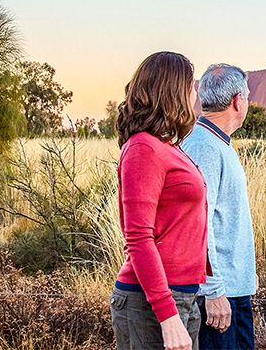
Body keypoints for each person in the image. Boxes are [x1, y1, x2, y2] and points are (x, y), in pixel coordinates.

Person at [110, 51, 208, 350]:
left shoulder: (166, 146)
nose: (195, 94)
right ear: (173, 91)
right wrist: (167, 316)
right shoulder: (144, 148)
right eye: (191, 86)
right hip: (152, 302)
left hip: (182, 295)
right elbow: (138, 237)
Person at [182, 64, 258, 350]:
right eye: (247, 97)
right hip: (218, 298)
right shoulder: (205, 147)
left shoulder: (215, 142)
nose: (248, 103)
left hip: (232, 290)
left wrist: (246, 273)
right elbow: (198, 223)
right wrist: (213, 291)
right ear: (238, 101)